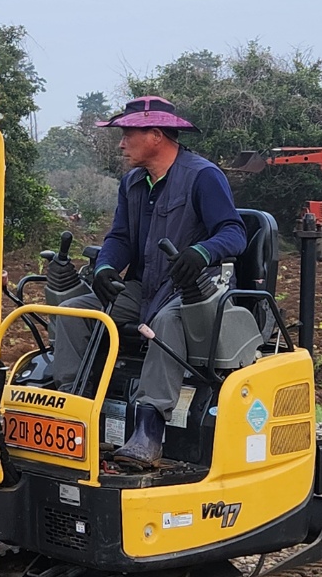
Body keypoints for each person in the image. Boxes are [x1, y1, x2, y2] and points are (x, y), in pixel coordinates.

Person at [50, 96, 247, 465]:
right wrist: (106, 268)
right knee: (73, 310)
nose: (122, 144)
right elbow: (120, 238)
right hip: (146, 287)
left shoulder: (203, 176)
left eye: (128, 134)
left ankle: (149, 429)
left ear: (156, 135)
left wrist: (202, 252)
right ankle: (74, 411)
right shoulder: (133, 183)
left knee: (165, 322)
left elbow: (234, 232)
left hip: (193, 291)